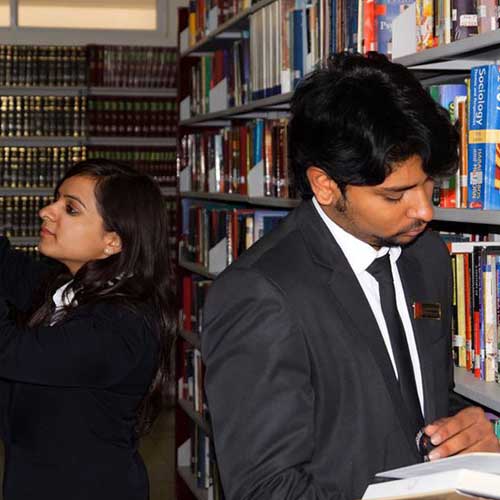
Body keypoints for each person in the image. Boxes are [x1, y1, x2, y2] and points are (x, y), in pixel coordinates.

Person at [201, 52, 500, 500]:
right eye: (395, 195)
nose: (425, 210)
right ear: (325, 185)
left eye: (429, 185)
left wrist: (464, 431)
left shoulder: (428, 255)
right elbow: (266, 488)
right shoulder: (260, 295)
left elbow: (409, 399)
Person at [0, 159, 176, 500]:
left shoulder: (121, 328)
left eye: (70, 208)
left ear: (112, 242)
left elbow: (10, 350)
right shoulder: (67, 287)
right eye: (55, 199)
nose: (46, 212)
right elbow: (6, 266)